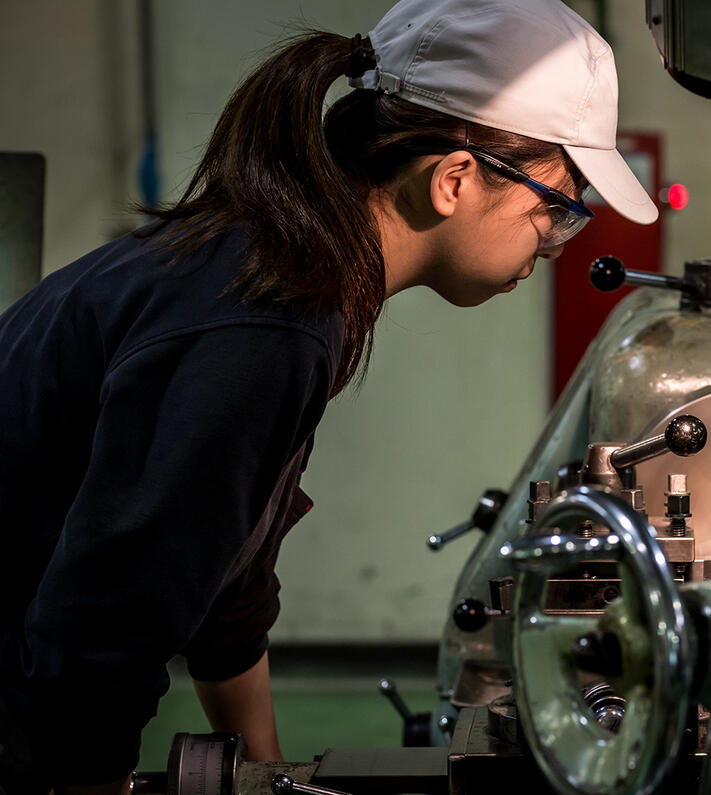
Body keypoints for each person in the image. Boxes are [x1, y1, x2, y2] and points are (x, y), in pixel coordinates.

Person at [0, 0, 656, 791]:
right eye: (556, 210)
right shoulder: (264, 320)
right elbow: (100, 638)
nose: (553, 245)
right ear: (453, 180)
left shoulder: (287, 272)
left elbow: (232, 573)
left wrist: (268, 769)